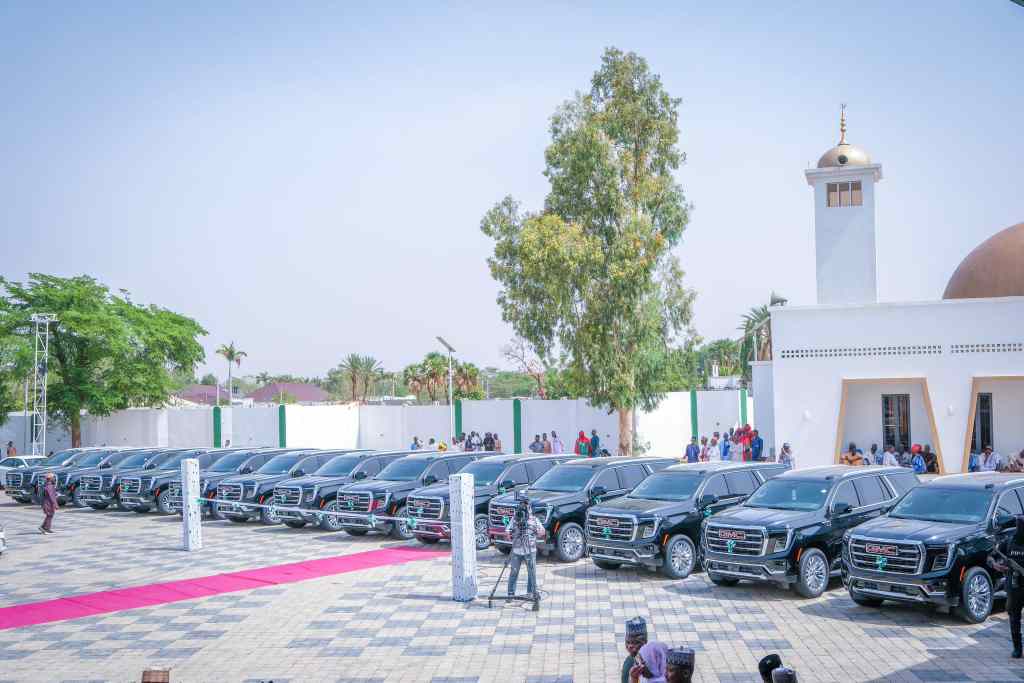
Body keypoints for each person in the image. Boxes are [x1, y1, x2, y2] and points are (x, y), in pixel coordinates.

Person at [988, 516, 1024, 658]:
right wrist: (996, 565)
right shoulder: (1008, 541)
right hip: (1014, 587)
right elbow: (990, 556)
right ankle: (1017, 648)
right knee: (1014, 617)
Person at [508, 494, 545, 605]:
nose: (523, 510)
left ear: (530, 509)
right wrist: (513, 532)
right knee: (514, 572)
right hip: (516, 550)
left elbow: (542, 532)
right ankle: (510, 594)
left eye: (526, 507)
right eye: (521, 507)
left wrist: (534, 529)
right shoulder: (515, 519)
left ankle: (532, 593)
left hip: (530, 549)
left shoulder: (534, 520)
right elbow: (507, 531)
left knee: (531, 572)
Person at [621, 617, 648, 683]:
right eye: (627, 642)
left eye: (635, 642)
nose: (630, 646)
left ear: (645, 643)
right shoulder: (629, 660)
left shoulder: (647, 662)